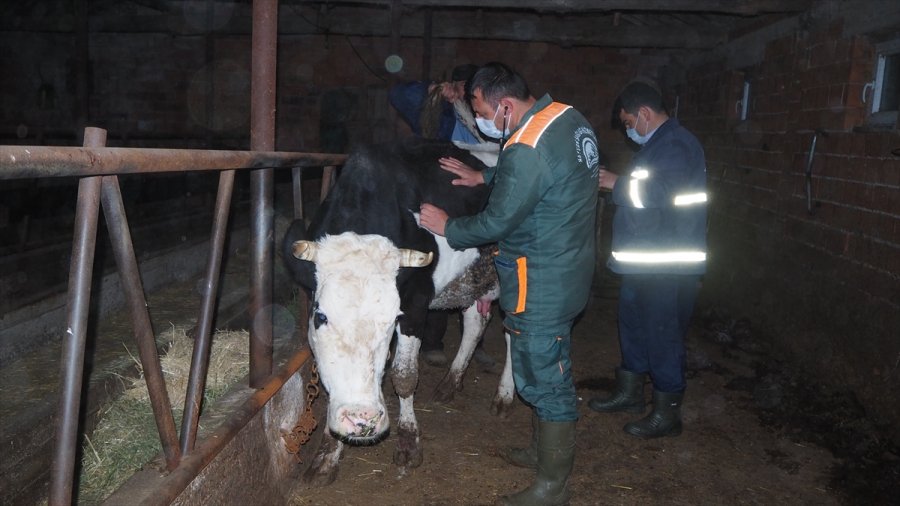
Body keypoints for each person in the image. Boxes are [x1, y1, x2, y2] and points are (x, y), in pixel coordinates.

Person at [420, 62, 599, 506]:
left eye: (478, 108)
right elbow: (543, 169)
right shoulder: (566, 120)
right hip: (569, 265)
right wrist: (485, 175)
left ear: (503, 104)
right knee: (545, 361)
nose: (478, 119)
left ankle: (551, 488)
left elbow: (497, 220)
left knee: (545, 378)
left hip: (540, 276)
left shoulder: (526, 147)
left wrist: (449, 226)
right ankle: (541, 453)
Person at [588, 80, 708, 439]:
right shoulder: (658, 145)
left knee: (662, 334)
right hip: (646, 262)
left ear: (643, 114)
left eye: (628, 123)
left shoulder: (675, 145)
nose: (628, 131)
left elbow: (660, 193)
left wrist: (615, 183)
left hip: (668, 263)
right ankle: (630, 393)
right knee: (634, 325)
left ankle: (667, 412)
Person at [390, 63, 494, 368]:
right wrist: (433, 89)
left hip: (480, 194)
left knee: (480, 264)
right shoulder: (441, 112)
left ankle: (476, 340)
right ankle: (431, 340)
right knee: (438, 260)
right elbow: (398, 94)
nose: (470, 95)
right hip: (442, 191)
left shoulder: (489, 120)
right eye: (465, 87)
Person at [389, 63, 483, 143]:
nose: (471, 90)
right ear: (453, 86)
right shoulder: (444, 116)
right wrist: (432, 89)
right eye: (464, 85)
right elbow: (398, 95)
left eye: (475, 85)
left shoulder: (491, 117)